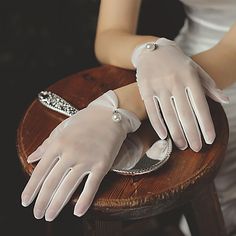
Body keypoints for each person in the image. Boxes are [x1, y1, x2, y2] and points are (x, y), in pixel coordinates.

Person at [21, 0, 236, 234]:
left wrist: (116, 108)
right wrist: (149, 50)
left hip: (218, 71)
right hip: (175, 59)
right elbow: (108, 35)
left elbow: (229, 54)